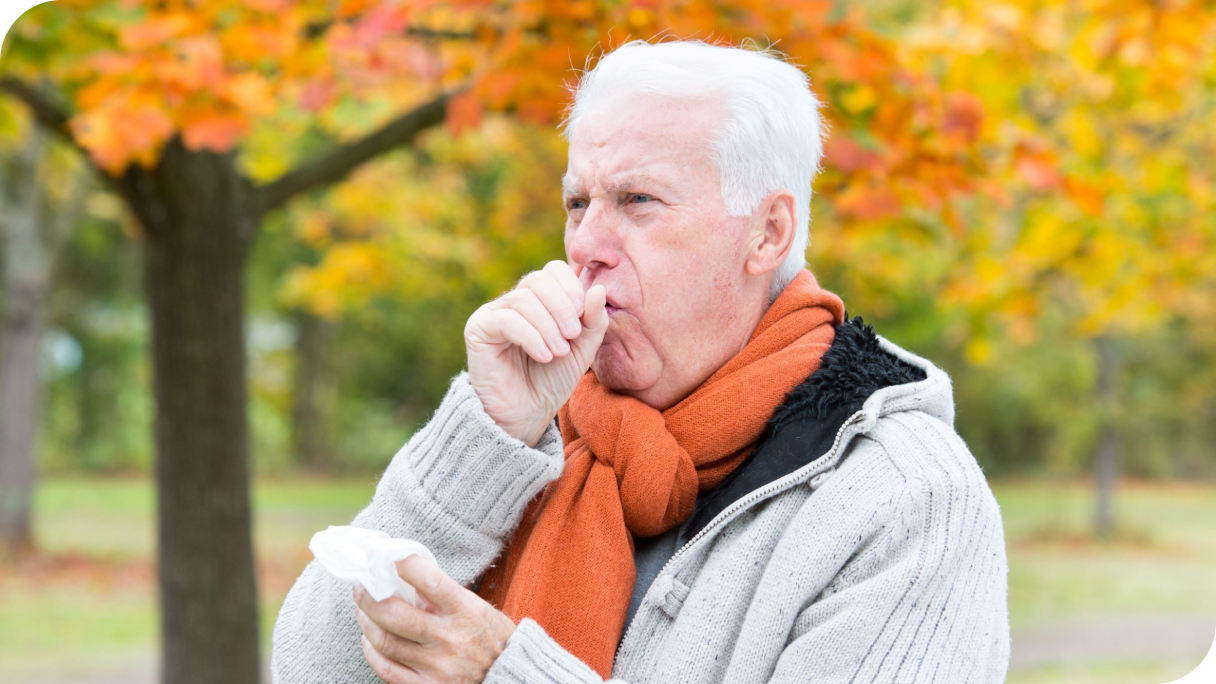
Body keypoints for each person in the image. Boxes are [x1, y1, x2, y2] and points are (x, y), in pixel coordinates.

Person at [271, 39, 1010, 684]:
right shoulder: (535, 430)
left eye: (637, 200)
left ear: (767, 234)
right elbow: (311, 670)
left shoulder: (906, 498)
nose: (586, 243)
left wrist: (504, 672)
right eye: (577, 203)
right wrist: (486, 435)